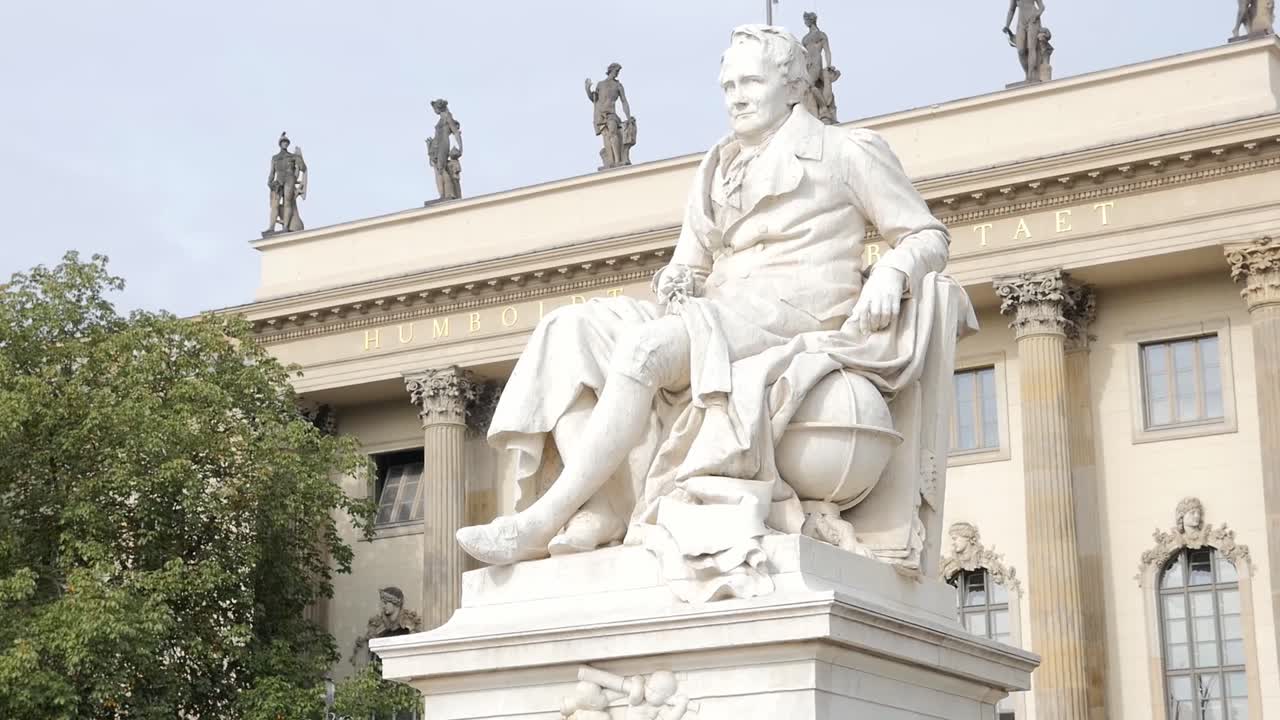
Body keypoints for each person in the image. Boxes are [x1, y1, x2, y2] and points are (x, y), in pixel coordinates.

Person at [457, 25, 950, 569]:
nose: (736, 96)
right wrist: (677, 279)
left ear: (792, 86)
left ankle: (542, 520)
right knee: (566, 331)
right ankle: (603, 505)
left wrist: (892, 271)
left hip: (791, 314)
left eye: (751, 82)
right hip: (718, 309)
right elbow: (690, 263)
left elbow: (927, 235)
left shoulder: (845, 151)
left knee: (645, 351)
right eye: (728, 85)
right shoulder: (717, 165)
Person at [585, 63, 634, 169]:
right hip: (600, 114)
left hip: (611, 114)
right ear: (611, 70)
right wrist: (587, 89)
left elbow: (624, 101)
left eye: (618, 72)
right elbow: (594, 99)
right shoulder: (601, 84)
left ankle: (618, 160)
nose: (617, 74)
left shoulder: (618, 85)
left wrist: (628, 116)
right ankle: (610, 162)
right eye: (616, 71)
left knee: (613, 133)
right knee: (606, 137)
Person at [264, 132, 306, 234]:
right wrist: (269, 182)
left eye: (286, 142)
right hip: (278, 181)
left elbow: (303, 168)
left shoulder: (293, 156)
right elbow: (272, 173)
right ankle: (271, 228)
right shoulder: (275, 158)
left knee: (288, 202)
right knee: (275, 205)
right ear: (280, 144)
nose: (285, 144)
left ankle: (285, 227)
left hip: (289, 179)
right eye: (283, 142)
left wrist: (299, 157)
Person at [427, 99, 463, 200]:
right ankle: (443, 195)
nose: (434, 111)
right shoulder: (441, 118)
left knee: (441, 168)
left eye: (434, 108)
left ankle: (449, 194)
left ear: (439, 107)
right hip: (437, 145)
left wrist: (460, 147)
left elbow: (455, 132)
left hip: (443, 143)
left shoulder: (447, 116)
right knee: (438, 169)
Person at [1004, 0, 1046, 82]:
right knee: (1020, 50)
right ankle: (1027, 73)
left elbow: (1042, 7)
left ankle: (1031, 76)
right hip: (1021, 22)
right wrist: (1007, 25)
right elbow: (1011, 10)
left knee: (1031, 47)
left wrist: (1036, 15)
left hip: (1032, 20)